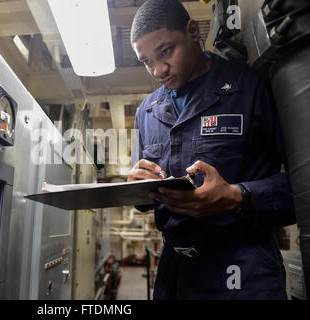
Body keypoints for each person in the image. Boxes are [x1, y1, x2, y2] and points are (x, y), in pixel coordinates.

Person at [127, 0, 296, 299]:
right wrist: (137, 188)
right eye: (146, 61)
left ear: (193, 31)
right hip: (175, 273)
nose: (158, 70)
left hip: (242, 269)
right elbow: (145, 195)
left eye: (166, 51)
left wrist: (238, 196)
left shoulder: (250, 87)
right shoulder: (147, 111)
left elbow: (302, 187)